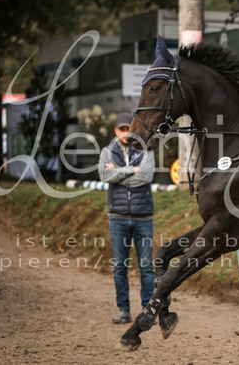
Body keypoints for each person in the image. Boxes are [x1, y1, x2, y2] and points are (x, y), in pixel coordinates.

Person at [98, 113, 156, 324]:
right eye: (122, 129)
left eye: (128, 128)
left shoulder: (146, 149)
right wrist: (132, 170)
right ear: (116, 131)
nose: (126, 132)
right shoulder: (107, 152)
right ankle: (124, 310)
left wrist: (118, 173)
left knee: (146, 267)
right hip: (118, 217)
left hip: (143, 217)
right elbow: (104, 175)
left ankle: (147, 311)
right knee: (120, 267)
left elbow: (146, 176)